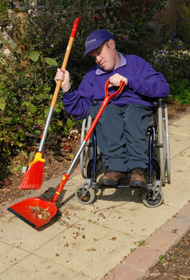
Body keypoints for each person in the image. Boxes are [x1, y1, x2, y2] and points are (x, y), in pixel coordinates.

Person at [55, 30, 169, 188]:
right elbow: (80, 110)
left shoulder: (135, 63)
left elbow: (162, 88)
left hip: (136, 109)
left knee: (132, 113)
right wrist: (67, 88)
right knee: (107, 112)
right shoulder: (91, 77)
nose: (98, 59)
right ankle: (115, 168)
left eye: (99, 52)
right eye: (94, 57)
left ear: (112, 44)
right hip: (109, 112)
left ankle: (137, 169)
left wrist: (130, 82)